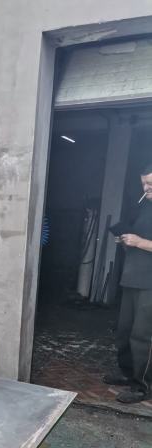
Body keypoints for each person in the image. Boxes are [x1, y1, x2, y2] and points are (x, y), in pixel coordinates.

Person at [104, 163, 152, 403]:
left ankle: (142, 386)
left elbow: (143, 242)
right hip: (131, 277)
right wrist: (125, 240)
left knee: (142, 335)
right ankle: (127, 372)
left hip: (149, 283)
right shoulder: (143, 206)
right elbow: (135, 238)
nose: (146, 187)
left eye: (150, 183)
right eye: (144, 183)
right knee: (124, 331)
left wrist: (139, 242)